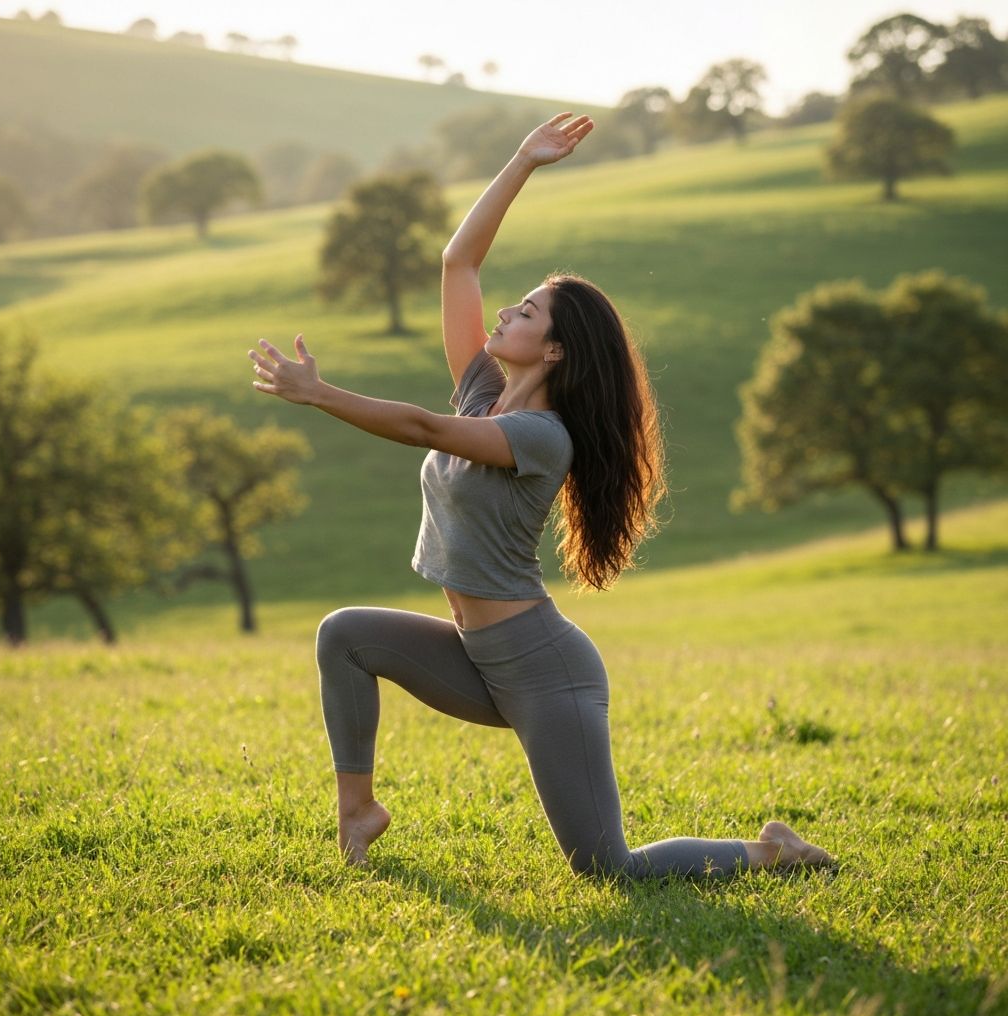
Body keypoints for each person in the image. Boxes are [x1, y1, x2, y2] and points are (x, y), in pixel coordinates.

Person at [248, 113, 834, 879]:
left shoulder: (542, 436)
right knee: (344, 635)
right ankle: (357, 807)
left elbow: (424, 427)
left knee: (606, 866)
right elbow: (459, 264)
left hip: (542, 667)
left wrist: (321, 394)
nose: (504, 313)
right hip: (474, 655)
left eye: (524, 313)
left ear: (554, 348)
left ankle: (771, 853)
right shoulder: (482, 393)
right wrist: (522, 160)